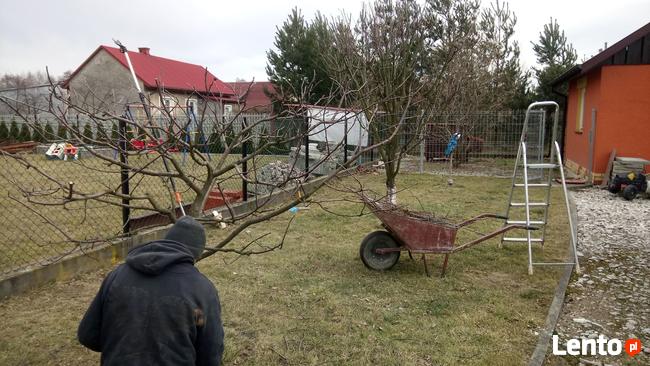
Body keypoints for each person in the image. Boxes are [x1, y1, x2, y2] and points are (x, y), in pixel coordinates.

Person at [78, 216, 224, 365]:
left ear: (167, 240)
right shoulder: (203, 291)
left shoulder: (117, 275)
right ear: (195, 255)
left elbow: (88, 336)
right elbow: (210, 354)